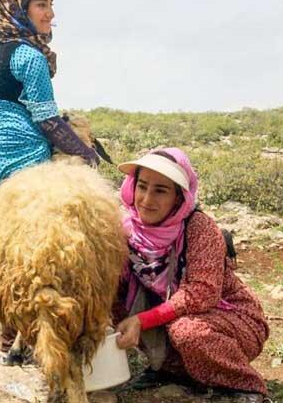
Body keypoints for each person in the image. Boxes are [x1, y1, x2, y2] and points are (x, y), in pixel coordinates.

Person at [0, 0, 100, 364]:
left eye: (51, 3)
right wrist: (87, 154)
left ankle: (5, 345)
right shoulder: (29, 56)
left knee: (5, 251)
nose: (50, 12)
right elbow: (47, 121)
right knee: (33, 260)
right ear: (19, 8)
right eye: (41, 4)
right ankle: (19, 346)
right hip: (28, 164)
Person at [112, 148, 269, 402]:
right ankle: (170, 369)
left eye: (161, 190)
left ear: (178, 197)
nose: (147, 199)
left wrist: (142, 320)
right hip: (172, 317)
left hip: (230, 320)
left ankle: (246, 386)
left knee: (187, 332)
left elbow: (202, 293)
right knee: (112, 304)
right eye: (142, 186)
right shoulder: (127, 230)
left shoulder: (199, 228)